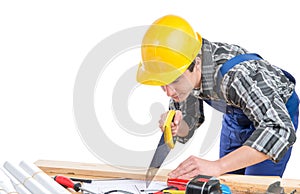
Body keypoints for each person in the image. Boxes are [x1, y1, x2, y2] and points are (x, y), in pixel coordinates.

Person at [136, 14, 299, 178]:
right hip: (237, 115)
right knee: (228, 182)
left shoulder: (237, 76)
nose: (169, 92)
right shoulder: (183, 68)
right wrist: (179, 127)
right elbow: (191, 120)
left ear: (197, 63)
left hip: (275, 116)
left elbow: (279, 130)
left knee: (253, 184)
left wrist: (218, 166)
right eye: (162, 83)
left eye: (175, 81)